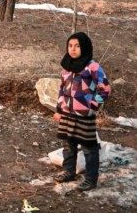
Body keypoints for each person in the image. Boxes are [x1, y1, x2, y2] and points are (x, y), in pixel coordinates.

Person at [53, 32, 111, 191]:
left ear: (84, 47)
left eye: (77, 46)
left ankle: (91, 179)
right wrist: (59, 109)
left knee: (89, 147)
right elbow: (62, 89)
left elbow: (105, 89)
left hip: (84, 116)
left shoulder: (93, 67)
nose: (73, 49)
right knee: (68, 144)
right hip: (67, 114)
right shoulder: (66, 67)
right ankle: (69, 171)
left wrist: (92, 105)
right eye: (70, 46)